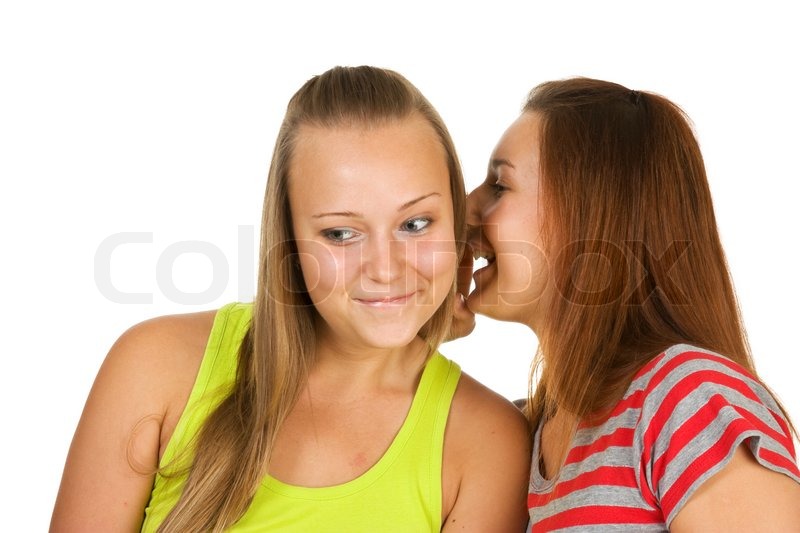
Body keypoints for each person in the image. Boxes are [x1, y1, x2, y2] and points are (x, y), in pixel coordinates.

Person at [50, 66, 531, 532]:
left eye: (416, 224)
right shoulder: (154, 366)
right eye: (341, 232)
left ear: (457, 222)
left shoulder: (487, 444)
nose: (386, 268)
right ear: (290, 237)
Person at [457, 77, 800, 531]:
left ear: (589, 212)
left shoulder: (688, 400)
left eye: (499, 185)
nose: (465, 208)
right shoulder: (524, 435)